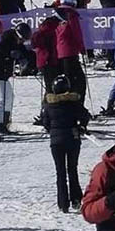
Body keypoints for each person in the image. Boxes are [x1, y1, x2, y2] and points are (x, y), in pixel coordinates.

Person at [41, 75, 91, 212]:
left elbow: (45, 123)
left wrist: (52, 130)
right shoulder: (73, 103)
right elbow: (85, 116)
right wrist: (82, 126)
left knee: (60, 171)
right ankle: (76, 199)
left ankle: (63, 203)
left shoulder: (49, 105)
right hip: (72, 138)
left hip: (56, 141)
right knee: (72, 169)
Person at [0, 22, 32, 133]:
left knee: (9, 97)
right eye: (21, 39)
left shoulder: (16, 40)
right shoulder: (5, 38)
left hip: (5, 73)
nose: (21, 42)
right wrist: (9, 54)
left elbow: (24, 52)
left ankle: (5, 122)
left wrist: (28, 61)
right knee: (2, 98)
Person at [55, 0, 87, 100]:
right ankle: (77, 105)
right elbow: (76, 33)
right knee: (79, 81)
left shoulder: (56, 14)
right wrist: (82, 48)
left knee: (66, 79)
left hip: (59, 51)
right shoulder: (71, 14)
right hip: (70, 51)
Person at [31, 15, 61, 94]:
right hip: (48, 61)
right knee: (51, 87)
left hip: (43, 61)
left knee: (50, 86)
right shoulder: (50, 31)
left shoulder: (43, 30)